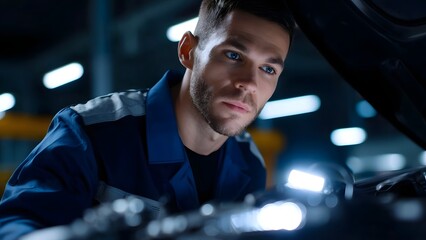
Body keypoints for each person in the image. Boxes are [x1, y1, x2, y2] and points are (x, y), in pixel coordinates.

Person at [0, 0, 294, 239]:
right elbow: (15, 228)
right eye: (233, 55)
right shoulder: (90, 132)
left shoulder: (249, 162)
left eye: (268, 69)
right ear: (187, 51)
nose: (249, 83)